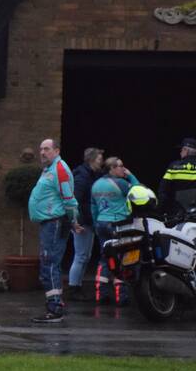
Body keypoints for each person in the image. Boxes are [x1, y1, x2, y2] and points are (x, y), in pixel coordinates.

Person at [27, 138, 80, 323]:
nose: (42, 152)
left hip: (55, 222)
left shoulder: (59, 169)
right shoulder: (49, 169)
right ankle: (54, 306)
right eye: (41, 149)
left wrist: (74, 220)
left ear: (56, 151)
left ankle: (55, 308)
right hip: (49, 222)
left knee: (49, 264)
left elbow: (68, 197)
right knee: (50, 264)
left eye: (47, 149)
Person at [91, 157, 140, 305]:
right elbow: (139, 191)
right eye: (120, 166)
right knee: (122, 258)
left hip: (101, 222)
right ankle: (121, 296)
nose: (123, 169)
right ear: (112, 168)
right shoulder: (121, 183)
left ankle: (101, 294)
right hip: (118, 224)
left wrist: (95, 224)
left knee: (105, 257)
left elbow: (93, 207)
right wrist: (130, 175)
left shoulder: (96, 184)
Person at [66, 147, 104, 302]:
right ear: (92, 159)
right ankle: (74, 288)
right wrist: (76, 221)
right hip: (83, 222)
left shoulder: (91, 175)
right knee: (81, 256)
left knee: (85, 256)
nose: (101, 161)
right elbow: (76, 200)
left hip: (88, 221)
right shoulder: (83, 176)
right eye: (100, 159)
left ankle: (77, 286)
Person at [158, 137, 196, 218]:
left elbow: (163, 192)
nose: (180, 152)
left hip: (176, 216)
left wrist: (161, 211)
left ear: (186, 150)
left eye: (181, 150)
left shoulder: (174, 167)